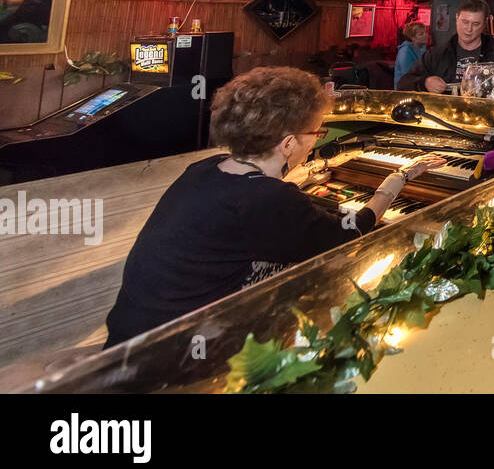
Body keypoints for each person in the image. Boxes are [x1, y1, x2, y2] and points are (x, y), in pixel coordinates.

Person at [104, 67, 438, 346]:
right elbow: (353, 232)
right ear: (289, 143)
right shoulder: (268, 199)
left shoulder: (207, 169)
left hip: (131, 334)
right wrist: (399, 178)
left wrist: (307, 175)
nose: (318, 138)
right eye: (317, 132)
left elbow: (255, 202)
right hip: (172, 356)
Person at [397, 0, 494, 92]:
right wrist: (425, 83)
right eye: (465, 22)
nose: (469, 29)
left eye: (476, 24)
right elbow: (404, 83)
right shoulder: (437, 54)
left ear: (485, 24)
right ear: (457, 18)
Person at [393, 21, 428, 89]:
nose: (426, 35)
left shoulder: (422, 48)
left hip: (417, 87)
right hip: (404, 90)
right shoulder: (405, 52)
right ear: (413, 37)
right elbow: (408, 76)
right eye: (421, 34)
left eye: (425, 32)